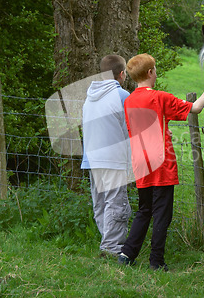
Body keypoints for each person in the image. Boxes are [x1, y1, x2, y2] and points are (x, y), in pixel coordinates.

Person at [118, 53, 204, 271]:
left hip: (139, 161)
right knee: (162, 214)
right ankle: (156, 261)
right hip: (161, 163)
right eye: (154, 69)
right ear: (150, 73)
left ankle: (127, 254)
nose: (155, 72)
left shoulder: (129, 100)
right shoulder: (159, 97)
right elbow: (194, 108)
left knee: (144, 209)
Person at [81, 54, 132, 256]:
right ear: (121, 74)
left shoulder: (89, 96)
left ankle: (107, 241)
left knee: (101, 202)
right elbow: (131, 128)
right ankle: (112, 247)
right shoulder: (122, 96)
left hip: (92, 158)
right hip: (113, 158)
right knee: (116, 203)